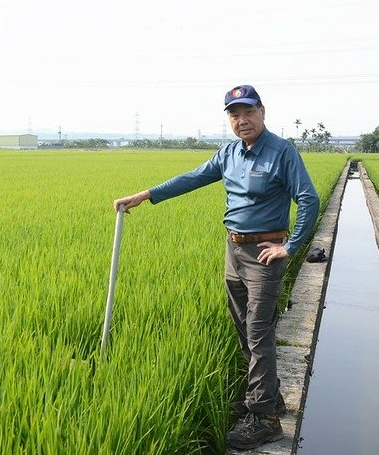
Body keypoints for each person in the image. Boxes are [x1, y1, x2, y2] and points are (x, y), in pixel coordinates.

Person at [113, 85, 320, 450]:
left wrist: (290, 246)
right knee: (242, 325)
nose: (242, 120)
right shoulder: (230, 153)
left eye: (248, 112)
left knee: (258, 332)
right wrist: (145, 195)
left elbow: (308, 198)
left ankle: (265, 419)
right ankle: (269, 396)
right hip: (234, 249)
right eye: (234, 114)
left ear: (262, 112)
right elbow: (193, 177)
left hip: (264, 254)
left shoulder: (282, 152)